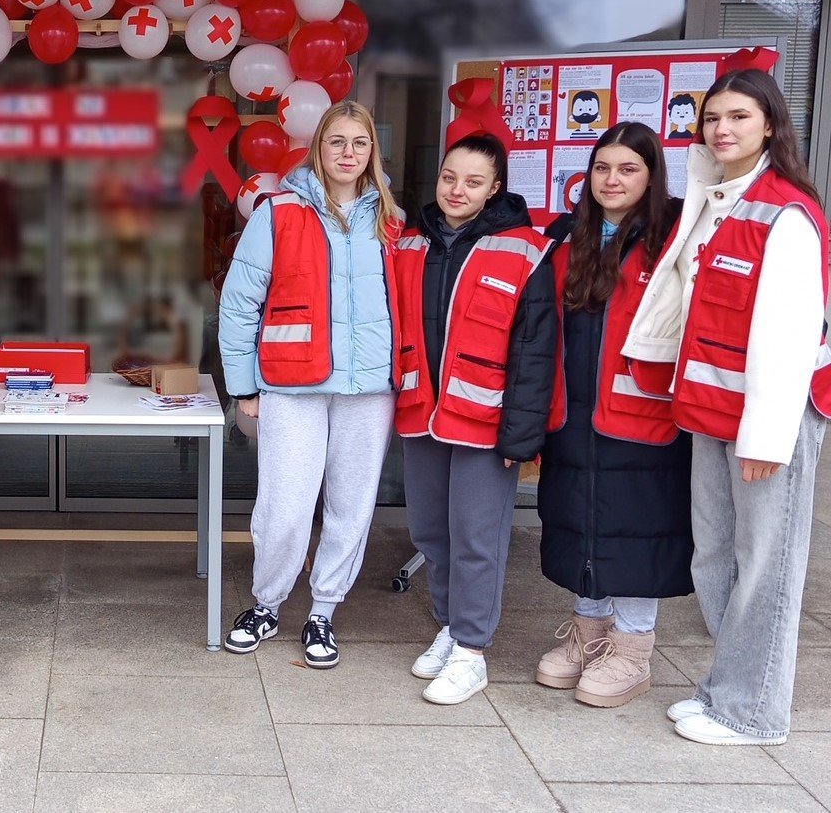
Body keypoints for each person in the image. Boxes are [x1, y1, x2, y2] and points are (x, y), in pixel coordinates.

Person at [623, 65, 831, 746]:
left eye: (739, 116)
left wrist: (767, 438)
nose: (722, 128)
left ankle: (754, 711)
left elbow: (789, 334)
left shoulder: (785, 211)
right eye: (713, 117)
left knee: (766, 565)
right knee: (715, 557)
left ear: (769, 125)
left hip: (767, 419)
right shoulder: (713, 197)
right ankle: (725, 687)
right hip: (711, 407)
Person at [218, 101, 402, 669]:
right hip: (291, 383)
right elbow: (238, 304)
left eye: (360, 143)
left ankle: (323, 610)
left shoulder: (391, 221)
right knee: (285, 506)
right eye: (337, 141)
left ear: (372, 152)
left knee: (351, 507)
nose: (349, 153)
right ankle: (267, 603)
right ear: (318, 147)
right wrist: (243, 387)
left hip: (369, 388)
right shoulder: (278, 214)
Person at [394, 131, 558, 705]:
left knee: (476, 537)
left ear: (494, 189)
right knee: (430, 532)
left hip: (486, 422)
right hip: (422, 414)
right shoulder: (411, 244)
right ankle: (448, 624)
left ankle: (471, 650)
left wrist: (522, 435)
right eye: (449, 177)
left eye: (473, 181)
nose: (456, 190)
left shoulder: (525, 250)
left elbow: (536, 351)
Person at [534, 122, 690, 708]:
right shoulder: (566, 239)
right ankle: (590, 632)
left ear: (652, 176)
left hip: (643, 412)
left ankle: (632, 649)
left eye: (628, 169)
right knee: (581, 518)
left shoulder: (673, 238)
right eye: (602, 167)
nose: (612, 180)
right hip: (574, 410)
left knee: (636, 527)